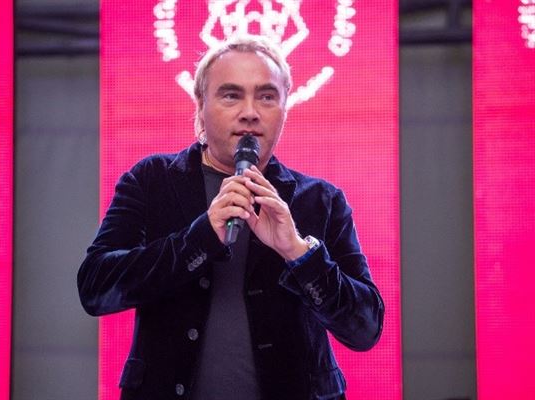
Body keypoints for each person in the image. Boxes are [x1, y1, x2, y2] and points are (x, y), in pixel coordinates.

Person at [78, 34, 384, 400]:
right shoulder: (152, 180)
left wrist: (299, 253)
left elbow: (365, 328)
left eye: (267, 96)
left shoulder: (320, 200)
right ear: (201, 106)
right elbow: (96, 288)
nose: (250, 112)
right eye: (231, 95)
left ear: (284, 108)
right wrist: (198, 239)